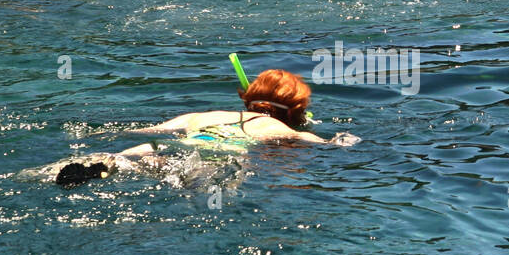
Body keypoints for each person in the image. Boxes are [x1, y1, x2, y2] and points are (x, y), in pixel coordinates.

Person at [49, 69, 358, 187]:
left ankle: (110, 161)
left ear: (247, 98)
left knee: (138, 154)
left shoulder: (201, 115)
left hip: (169, 146)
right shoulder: (281, 130)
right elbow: (328, 144)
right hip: (209, 164)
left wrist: (95, 133)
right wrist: (344, 139)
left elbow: (146, 131)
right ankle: (116, 168)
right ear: (295, 110)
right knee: (193, 176)